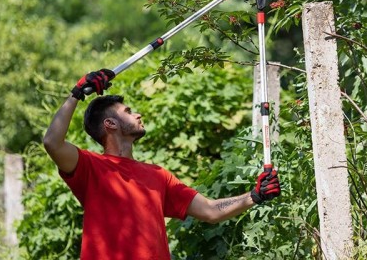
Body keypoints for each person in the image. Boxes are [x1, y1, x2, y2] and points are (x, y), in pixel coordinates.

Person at [43, 69, 281, 260]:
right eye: (128, 112)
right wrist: (77, 93)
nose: (137, 115)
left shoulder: (158, 175)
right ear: (110, 124)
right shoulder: (90, 167)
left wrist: (255, 196)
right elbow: (52, 142)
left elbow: (209, 211)